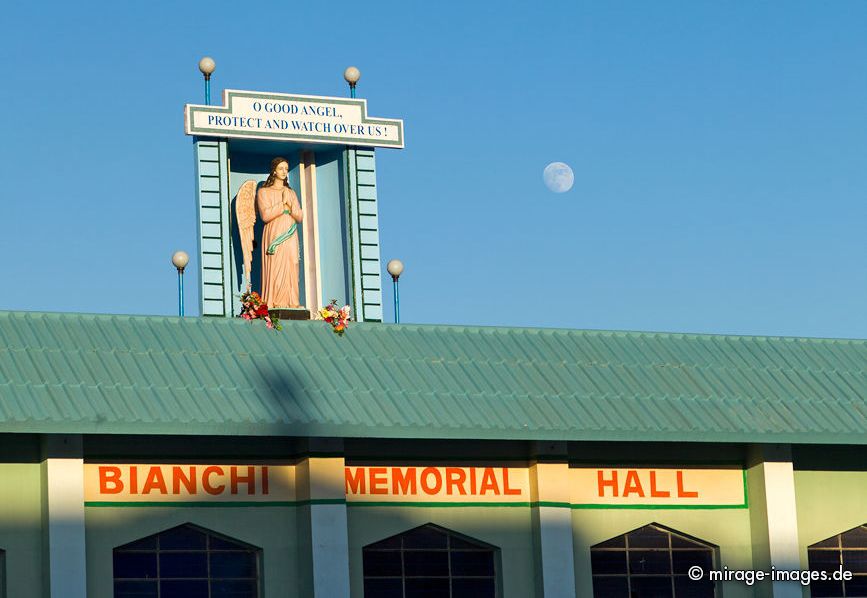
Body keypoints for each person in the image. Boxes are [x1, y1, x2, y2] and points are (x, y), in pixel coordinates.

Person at [257, 157, 303, 308]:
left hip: (290, 233)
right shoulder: (264, 192)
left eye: (286, 169)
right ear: (274, 171)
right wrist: (283, 205)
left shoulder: (291, 193)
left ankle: (292, 302)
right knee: (276, 266)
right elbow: (265, 215)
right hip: (275, 233)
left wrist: (290, 204)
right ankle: (275, 302)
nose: (284, 171)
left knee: (293, 264)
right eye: (281, 168)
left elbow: (300, 216)